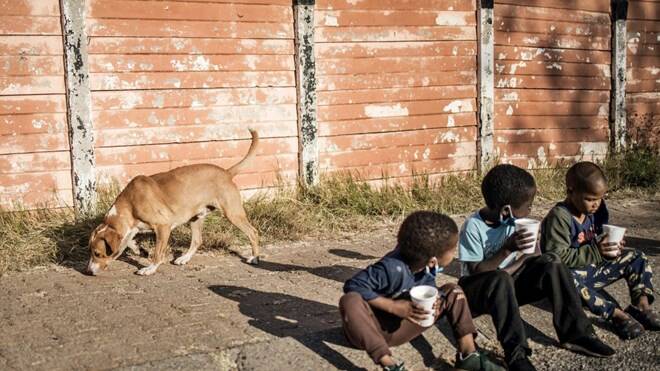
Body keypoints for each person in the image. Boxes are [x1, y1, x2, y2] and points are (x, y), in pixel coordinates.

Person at [458, 164, 615, 371]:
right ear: (507, 210)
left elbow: (525, 262)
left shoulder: (514, 221)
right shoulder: (473, 227)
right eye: (529, 205)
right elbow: (477, 271)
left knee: (552, 261)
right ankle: (516, 354)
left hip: (508, 284)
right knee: (500, 279)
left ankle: (577, 334)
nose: (531, 210)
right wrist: (508, 250)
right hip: (478, 292)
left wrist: (533, 253)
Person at [339, 211, 503, 371]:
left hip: (405, 326)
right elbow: (353, 286)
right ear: (433, 261)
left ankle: (468, 354)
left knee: (453, 290)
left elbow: (429, 289)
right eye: (453, 249)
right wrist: (393, 306)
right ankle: (389, 364)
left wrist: (437, 299)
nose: (455, 253)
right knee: (350, 300)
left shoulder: (425, 265)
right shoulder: (390, 268)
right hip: (371, 332)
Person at [541, 161, 659, 339]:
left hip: (590, 268)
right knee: (567, 276)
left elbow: (595, 239)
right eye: (590, 199)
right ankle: (617, 315)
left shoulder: (595, 211)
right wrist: (596, 252)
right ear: (570, 191)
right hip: (569, 279)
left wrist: (610, 247)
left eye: (600, 198)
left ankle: (642, 307)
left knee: (636, 256)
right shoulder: (560, 217)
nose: (596, 204)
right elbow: (556, 258)